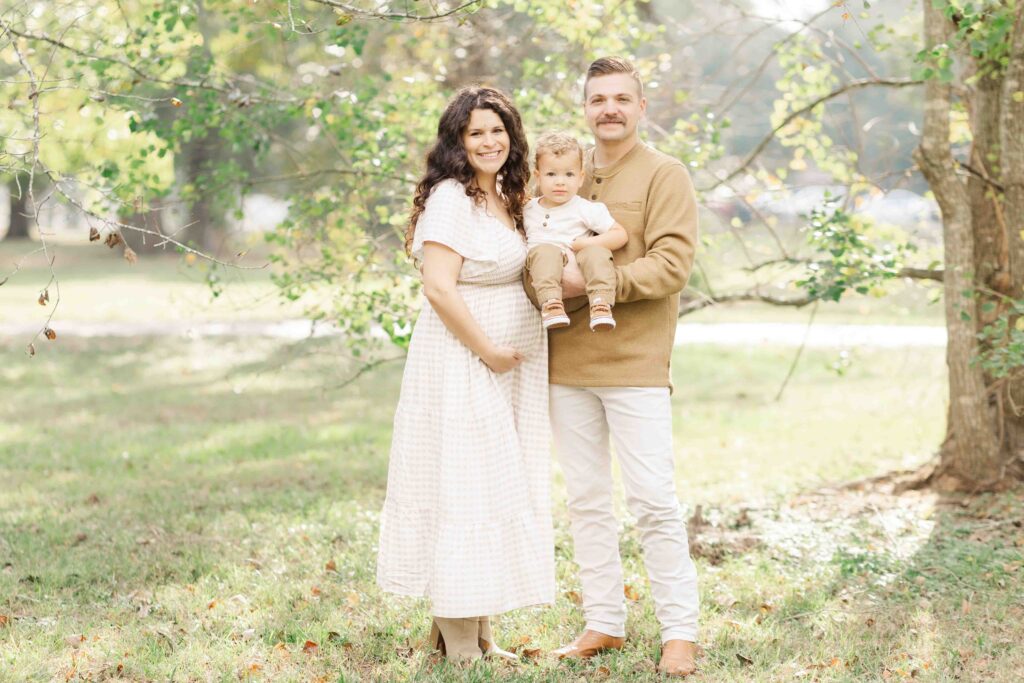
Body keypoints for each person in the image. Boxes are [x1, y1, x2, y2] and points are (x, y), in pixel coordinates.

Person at [376, 86, 554, 661]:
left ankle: (480, 632)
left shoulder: (505, 194)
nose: (489, 141)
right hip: (464, 360)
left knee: (493, 486)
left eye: (497, 130)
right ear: (456, 140)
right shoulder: (452, 197)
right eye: (476, 132)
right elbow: (438, 287)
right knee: (465, 492)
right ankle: (459, 648)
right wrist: (489, 352)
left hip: (504, 366)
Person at [542, 57, 702, 677]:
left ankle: (679, 632)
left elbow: (672, 266)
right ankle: (604, 622)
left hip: (634, 362)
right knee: (585, 501)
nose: (609, 108)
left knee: (653, 501)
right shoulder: (562, 172)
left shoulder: (665, 174)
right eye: (597, 99)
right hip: (566, 365)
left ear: (640, 107)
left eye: (621, 99)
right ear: (585, 108)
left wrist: (584, 284)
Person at [523, 132, 628, 331]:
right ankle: (551, 304)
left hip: (578, 271)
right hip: (542, 277)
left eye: (569, 174)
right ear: (538, 176)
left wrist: (586, 244)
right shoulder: (528, 209)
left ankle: (601, 303)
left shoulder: (584, 208)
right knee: (544, 251)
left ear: (580, 178)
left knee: (596, 253)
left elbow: (619, 234)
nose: (560, 182)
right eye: (551, 174)